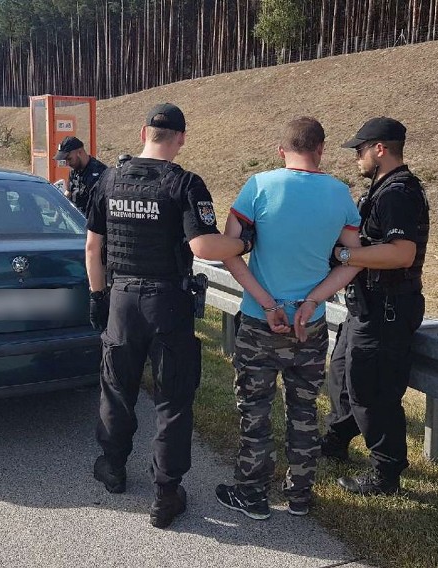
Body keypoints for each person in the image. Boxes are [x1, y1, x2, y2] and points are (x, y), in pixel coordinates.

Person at [85, 103, 254, 529]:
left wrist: (97, 296)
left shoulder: (108, 178)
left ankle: (113, 468)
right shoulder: (186, 184)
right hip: (168, 303)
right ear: (180, 137)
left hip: (121, 298)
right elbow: (204, 247)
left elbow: (92, 248)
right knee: (173, 399)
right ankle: (165, 493)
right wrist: (245, 243)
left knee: (117, 388)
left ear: (144, 132)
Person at [213, 117, 362, 520]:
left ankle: (254, 496)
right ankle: (299, 497)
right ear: (321, 149)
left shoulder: (258, 186)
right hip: (308, 326)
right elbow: (354, 259)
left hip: (260, 322)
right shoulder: (339, 194)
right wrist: (313, 301)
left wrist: (265, 301)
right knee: (303, 411)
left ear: (282, 151)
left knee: (255, 410)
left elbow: (230, 249)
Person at [298, 117, 430, 496]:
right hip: (367, 306)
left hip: (388, 308)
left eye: (360, 150)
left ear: (380, 149)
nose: (356, 157)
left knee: (373, 392)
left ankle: (385, 474)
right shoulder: (382, 189)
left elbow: (402, 253)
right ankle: (337, 441)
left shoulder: (398, 194)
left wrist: (344, 254)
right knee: (343, 378)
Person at [54, 136, 107, 215]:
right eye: (65, 160)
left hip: (91, 223)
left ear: (79, 152)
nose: (67, 163)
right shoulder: (73, 171)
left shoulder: (100, 172)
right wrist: (58, 215)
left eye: (69, 159)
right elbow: (69, 192)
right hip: (76, 222)